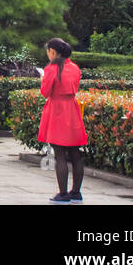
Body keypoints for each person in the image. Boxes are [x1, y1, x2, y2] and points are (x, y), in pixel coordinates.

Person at [39, 37, 87, 204]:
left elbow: (45, 92)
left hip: (58, 111)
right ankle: (76, 193)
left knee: (60, 153)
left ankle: (63, 194)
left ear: (53, 51)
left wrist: (42, 79)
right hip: (72, 110)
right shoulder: (74, 67)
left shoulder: (52, 68)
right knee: (75, 153)